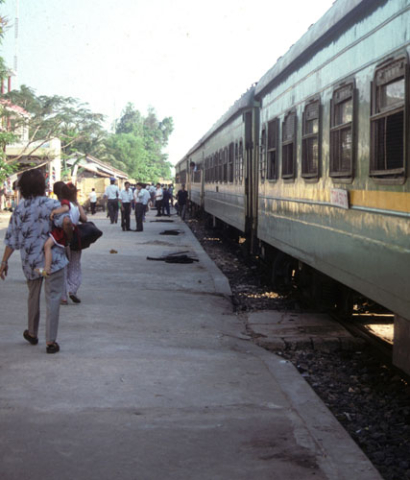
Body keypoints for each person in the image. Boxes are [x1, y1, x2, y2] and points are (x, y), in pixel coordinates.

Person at [0, 169, 71, 354]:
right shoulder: (52, 204)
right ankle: (50, 342)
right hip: (54, 261)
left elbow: (12, 240)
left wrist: (4, 262)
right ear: (43, 186)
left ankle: (32, 332)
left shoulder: (19, 209)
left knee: (33, 296)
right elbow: (65, 222)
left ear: (22, 188)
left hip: (31, 262)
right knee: (53, 298)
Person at [64, 183, 87, 304]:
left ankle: (63, 292)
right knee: (75, 264)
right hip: (75, 238)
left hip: (61, 239)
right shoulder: (75, 205)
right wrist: (78, 205)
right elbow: (84, 219)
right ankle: (72, 290)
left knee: (63, 265)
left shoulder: (58, 205)